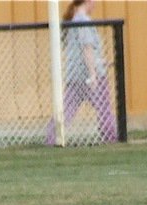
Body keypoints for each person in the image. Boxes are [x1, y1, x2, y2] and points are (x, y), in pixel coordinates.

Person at [46, 0, 117, 146]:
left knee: (66, 109)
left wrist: (101, 62)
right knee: (104, 110)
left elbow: (80, 51)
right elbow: (87, 47)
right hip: (90, 75)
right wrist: (93, 74)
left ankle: (52, 137)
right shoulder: (83, 21)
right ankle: (110, 138)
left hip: (75, 75)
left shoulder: (73, 20)